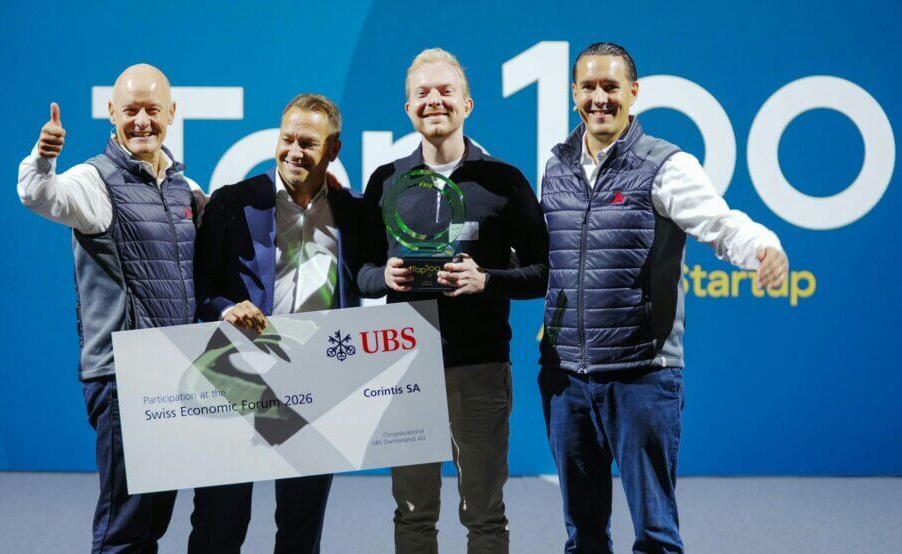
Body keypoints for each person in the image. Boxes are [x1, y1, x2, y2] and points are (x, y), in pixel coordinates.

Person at [539, 42, 789, 554]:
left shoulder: (666, 165)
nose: (600, 98)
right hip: (566, 379)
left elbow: (721, 224)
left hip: (642, 375)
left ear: (633, 93)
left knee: (655, 537)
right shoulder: (556, 165)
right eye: (589, 87)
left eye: (611, 87)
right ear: (573, 94)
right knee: (583, 538)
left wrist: (763, 247)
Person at [16, 64, 238, 553]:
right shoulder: (93, 180)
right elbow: (40, 195)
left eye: (152, 110)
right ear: (111, 112)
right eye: (130, 110)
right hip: (122, 379)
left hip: (176, 378)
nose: (141, 121)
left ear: (171, 114)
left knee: (151, 524)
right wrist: (43, 160)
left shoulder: (186, 190)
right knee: (125, 530)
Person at [358, 48, 548, 554]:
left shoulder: (504, 181)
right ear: (408, 109)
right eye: (422, 93)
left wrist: (488, 280)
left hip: (480, 368)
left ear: (467, 104)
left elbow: (544, 272)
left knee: (484, 513)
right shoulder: (385, 181)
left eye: (446, 91)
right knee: (413, 513)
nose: (434, 101)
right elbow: (360, 272)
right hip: (405, 367)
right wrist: (384, 276)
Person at [193, 93, 362, 553]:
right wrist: (226, 308)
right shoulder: (232, 203)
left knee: (301, 528)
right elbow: (200, 288)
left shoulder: (354, 212)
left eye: (308, 143)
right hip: (237, 378)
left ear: (333, 150)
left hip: (317, 382)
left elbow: (375, 275)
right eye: (287, 139)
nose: (294, 151)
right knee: (220, 522)